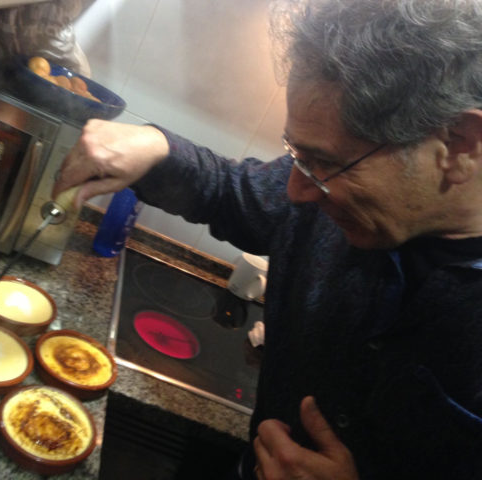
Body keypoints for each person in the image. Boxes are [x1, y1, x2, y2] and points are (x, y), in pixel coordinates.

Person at [51, 0, 482, 478]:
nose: (297, 191)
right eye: (298, 155)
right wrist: (155, 146)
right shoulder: (320, 188)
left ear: (459, 144)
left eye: (326, 163)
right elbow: (233, 194)